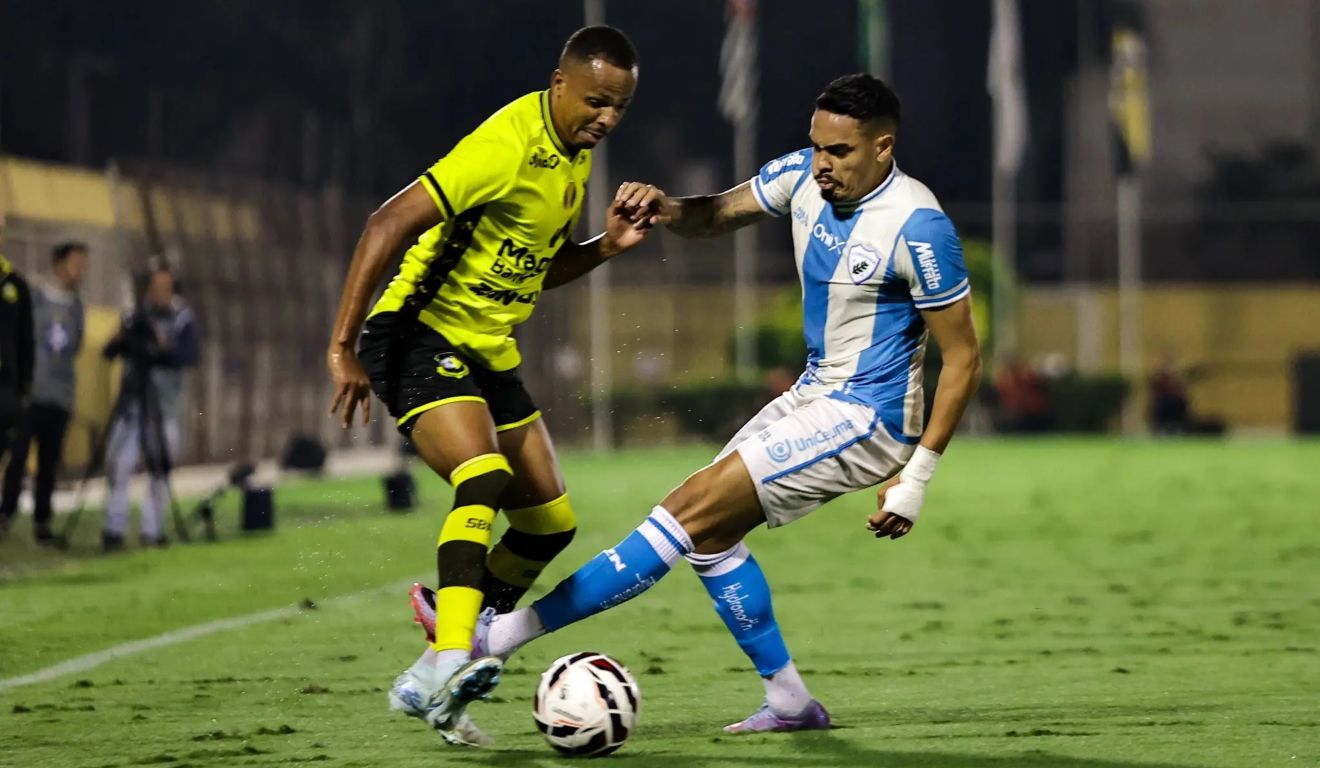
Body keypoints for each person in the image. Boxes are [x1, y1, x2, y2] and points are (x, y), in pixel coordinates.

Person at [465, 73, 984, 733]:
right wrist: (666, 207)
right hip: (815, 395)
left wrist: (916, 476)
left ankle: (497, 638)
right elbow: (714, 215)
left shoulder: (918, 226)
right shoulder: (802, 176)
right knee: (709, 537)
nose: (823, 164)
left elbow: (964, 357)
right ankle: (791, 703)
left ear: (884, 147)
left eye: (841, 152)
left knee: (682, 512)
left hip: (868, 419)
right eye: (817, 146)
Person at [325, 26, 656, 747]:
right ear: (559, 83)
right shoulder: (506, 144)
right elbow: (387, 222)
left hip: (487, 352)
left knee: (549, 522)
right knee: (482, 474)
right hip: (416, 335)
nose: (606, 117)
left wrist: (604, 248)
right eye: (596, 101)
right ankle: (453, 656)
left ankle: (427, 674)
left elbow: (538, 265)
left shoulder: (572, 160)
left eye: (620, 107)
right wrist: (342, 344)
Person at [101, 260, 200, 552]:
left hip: (165, 406)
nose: (158, 291)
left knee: (160, 470)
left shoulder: (183, 318)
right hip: (131, 403)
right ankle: (113, 530)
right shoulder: (135, 315)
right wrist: (124, 338)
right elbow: (111, 350)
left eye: (164, 286)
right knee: (118, 465)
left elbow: (189, 355)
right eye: (154, 285)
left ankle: (152, 530)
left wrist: (160, 347)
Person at [1, 242, 87, 544]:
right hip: (32, 393)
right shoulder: (34, 297)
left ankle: (42, 521)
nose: (81, 269)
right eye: (76, 262)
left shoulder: (77, 305)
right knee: (18, 456)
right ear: (59, 263)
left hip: (61, 396)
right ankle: (6, 513)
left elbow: (75, 345)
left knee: (49, 463)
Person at [0, 212, 36, 542]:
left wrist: (24, 386)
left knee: (10, 454)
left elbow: (27, 342)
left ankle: (5, 514)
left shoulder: (15, 285)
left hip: (6, 389)